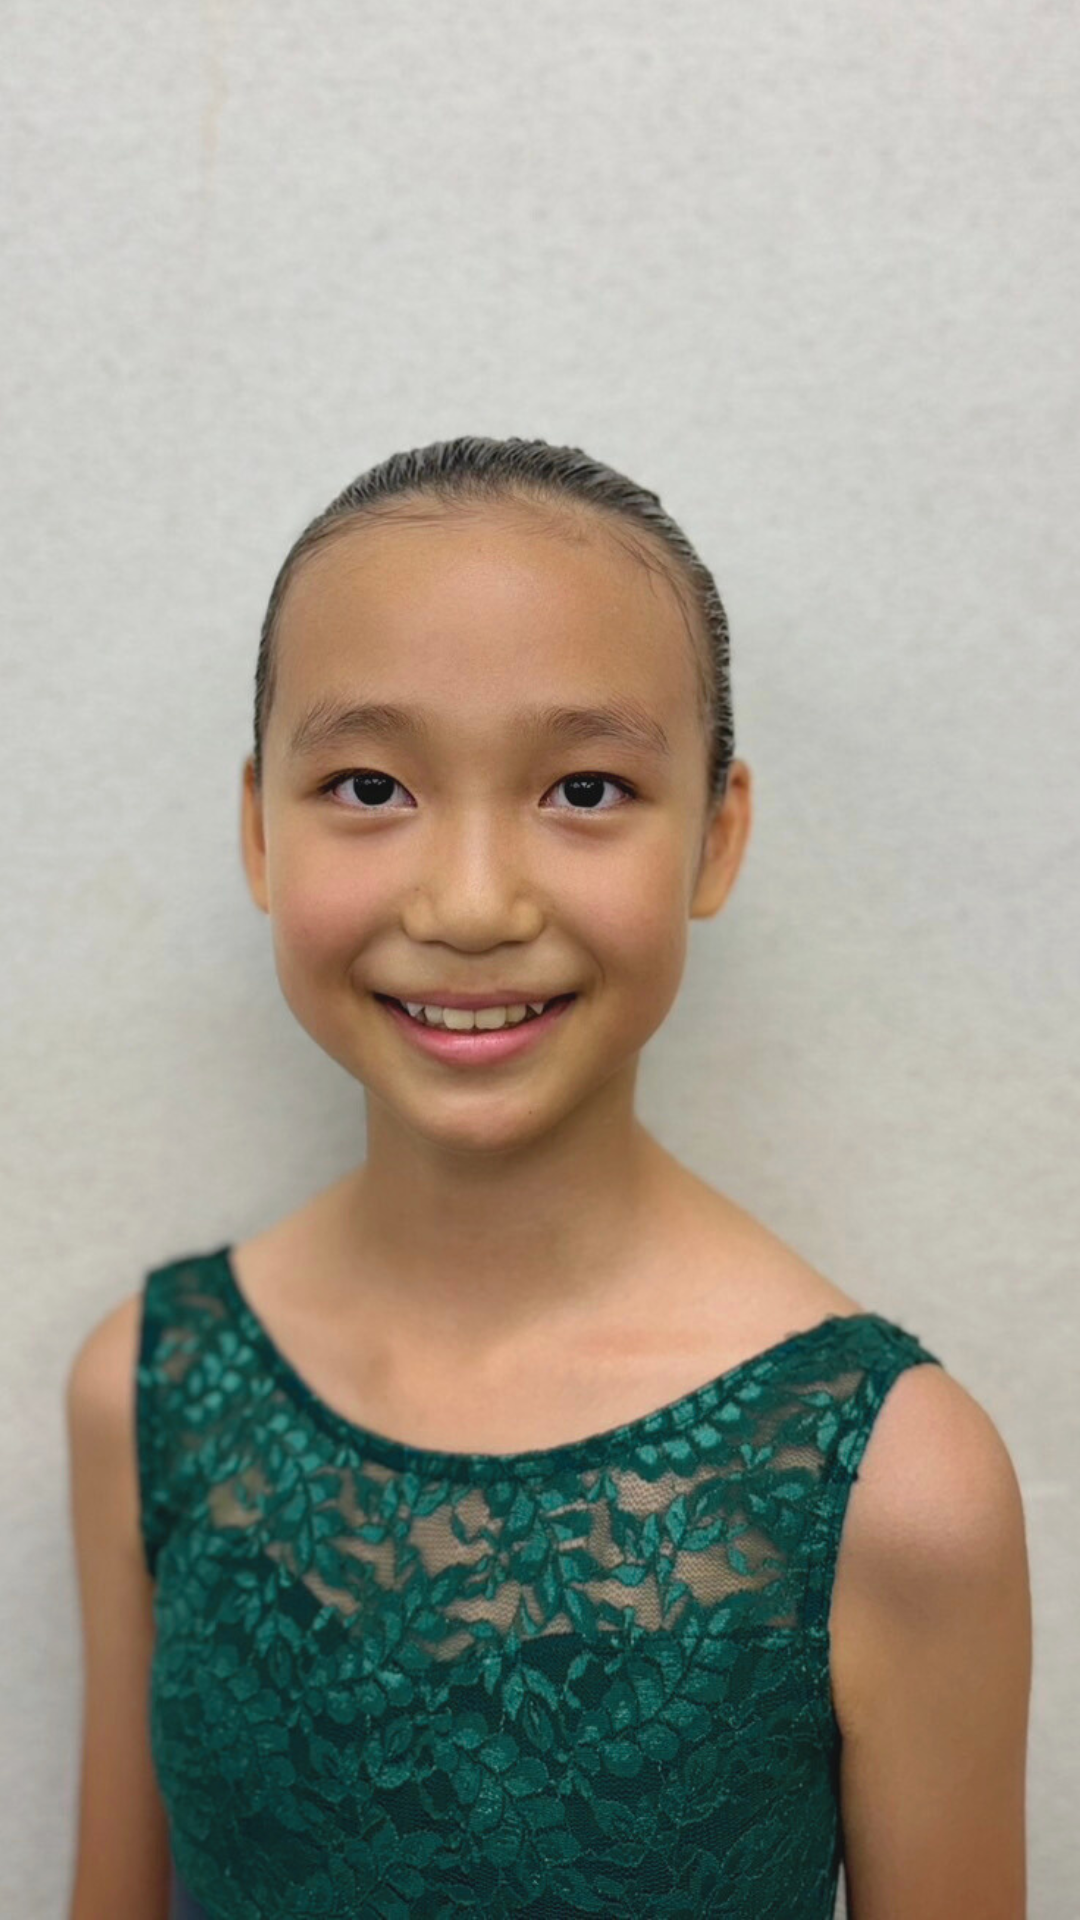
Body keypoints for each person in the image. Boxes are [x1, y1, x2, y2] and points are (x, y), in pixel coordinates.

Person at [65, 435, 1031, 1920]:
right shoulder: (151, 1391)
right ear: (260, 828)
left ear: (715, 837)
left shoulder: (901, 1485)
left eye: (584, 788)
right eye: (370, 784)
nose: (470, 904)